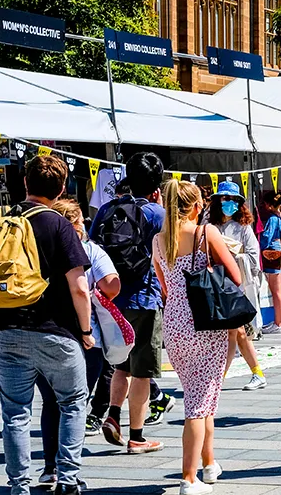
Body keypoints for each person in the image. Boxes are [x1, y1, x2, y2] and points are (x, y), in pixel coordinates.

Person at [0, 156, 94, 495]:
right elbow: (80, 287)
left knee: (15, 412)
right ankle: (68, 479)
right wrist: (85, 332)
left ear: (24, 184)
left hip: (4, 333)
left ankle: (19, 485)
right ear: (61, 189)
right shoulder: (58, 224)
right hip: (55, 332)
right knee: (72, 402)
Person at [152, 181, 241, 494]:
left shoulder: (158, 239)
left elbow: (164, 284)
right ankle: (189, 478)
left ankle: (209, 463)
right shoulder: (207, 233)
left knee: (201, 396)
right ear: (194, 205)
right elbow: (236, 276)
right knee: (198, 404)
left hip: (174, 322)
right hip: (205, 321)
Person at [38, 199, 120, 486]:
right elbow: (112, 284)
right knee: (74, 403)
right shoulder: (89, 249)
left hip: (41, 332)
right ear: (75, 224)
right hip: (83, 337)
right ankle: (68, 474)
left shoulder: (37, 242)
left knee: (51, 403)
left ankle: (49, 467)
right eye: (81, 222)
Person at [93, 151, 166, 454]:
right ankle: (137, 435)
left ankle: (112, 415)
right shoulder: (157, 214)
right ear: (156, 184)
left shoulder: (106, 209)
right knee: (142, 371)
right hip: (144, 298)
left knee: (120, 364)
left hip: (110, 300)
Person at [207, 182, 267, 392]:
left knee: (236, 331)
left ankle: (221, 376)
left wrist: (232, 256)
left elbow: (253, 258)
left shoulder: (243, 228)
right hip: (217, 285)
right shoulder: (209, 225)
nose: (229, 203)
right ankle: (255, 373)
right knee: (236, 333)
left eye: (233, 200)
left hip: (236, 286)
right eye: (225, 199)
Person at [259, 192, 281, 335]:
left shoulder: (272, 219)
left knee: (276, 290)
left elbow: (267, 237)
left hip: (272, 254)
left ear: (270, 205)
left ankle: (278, 323)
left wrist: (260, 245)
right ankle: (280, 321)